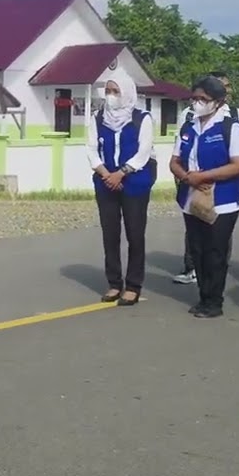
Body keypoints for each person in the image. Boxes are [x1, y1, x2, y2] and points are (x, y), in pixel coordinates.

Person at [170, 75, 239, 319]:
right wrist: (187, 177)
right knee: (197, 249)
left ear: (218, 101)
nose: (197, 103)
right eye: (194, 98)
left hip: (222, 199)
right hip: (191, 196)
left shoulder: (230, 127)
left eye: (203, 99)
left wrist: (205, 176)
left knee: (215, 251)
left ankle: (214, 301)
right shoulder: (188, 127)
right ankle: (203, 296)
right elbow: (174, 161)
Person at [87, 73, 156, 306]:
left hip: (134, 182)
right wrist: (106, 174)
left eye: (115, 91)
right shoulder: (97, 118)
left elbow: (144, 152)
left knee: (135, 234)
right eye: (108, 90)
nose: (111, 96)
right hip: (105, 182)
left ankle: (133, 285)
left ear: (126, 92)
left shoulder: (141, 118)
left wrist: (121, 173)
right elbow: (91, 150)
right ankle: (114, 282)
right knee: (110, 234)